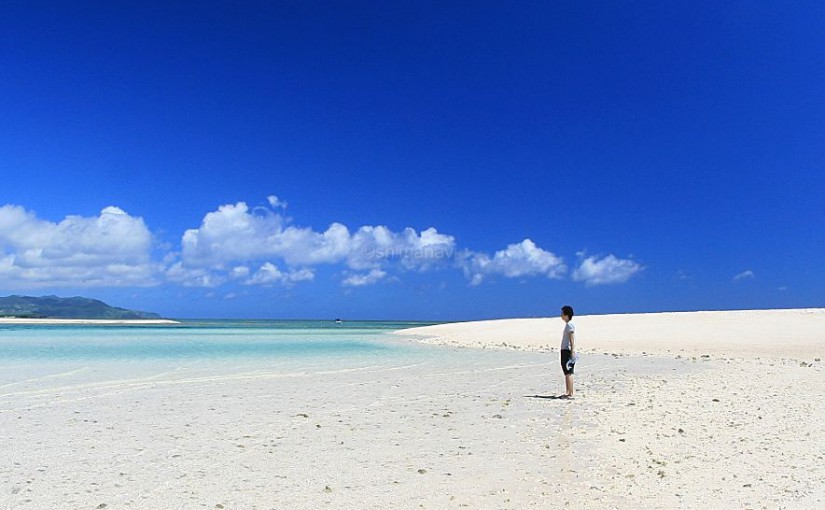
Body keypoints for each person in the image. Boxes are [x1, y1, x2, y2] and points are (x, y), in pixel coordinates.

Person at [560, 305, 576, 398]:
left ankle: (570, 393)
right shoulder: (568, 325)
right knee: (566, 371)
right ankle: (568, 391)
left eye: (562, 313)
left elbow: (572, 338)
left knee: (568, 371)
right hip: (565, 350)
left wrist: (572, 350)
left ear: (566, 314)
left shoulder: (570, 325)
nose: (561, 315)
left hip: (567, 350)